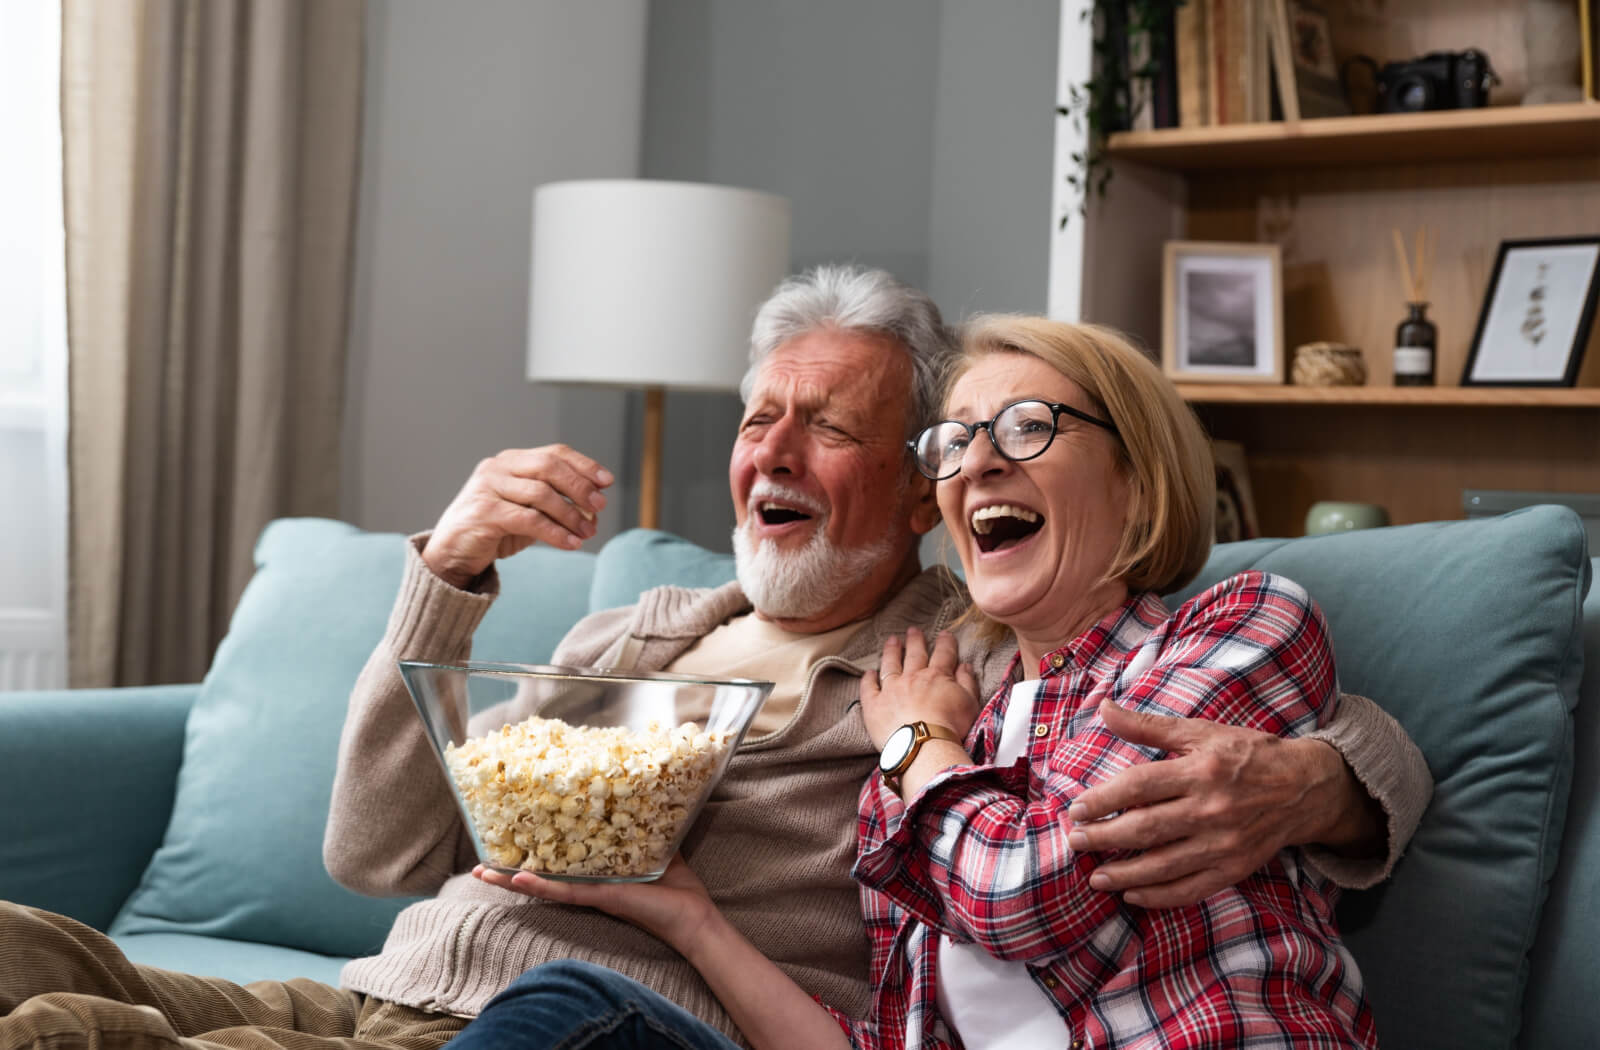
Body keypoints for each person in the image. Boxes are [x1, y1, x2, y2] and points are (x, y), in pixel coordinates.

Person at [0, 269, 1424, 1049]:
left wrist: (1317, 780)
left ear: (906, 489)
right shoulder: (634, 628)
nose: (771, 452)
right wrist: (442, 578)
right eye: (759, 416)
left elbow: (1286, 698)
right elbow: (373, 855)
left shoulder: (960, 647)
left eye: (829, 426)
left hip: (580, 1025)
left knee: (67, 1029)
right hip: (385, 979)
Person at [464, 314, 1381, 1048]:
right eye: (957, 441)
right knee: (575, 1003)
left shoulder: (1234, 625)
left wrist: (1332, 785)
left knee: (569, 1010)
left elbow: (1018, 895)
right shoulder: (939, 721)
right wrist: (696, 922)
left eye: (1028, 428)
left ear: (1138, 484)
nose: (979, 460)